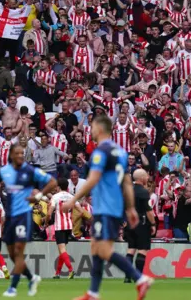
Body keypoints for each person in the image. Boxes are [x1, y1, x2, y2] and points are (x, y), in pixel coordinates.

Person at [63, 115, 153, 300]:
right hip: (115, 207)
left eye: (93, 127)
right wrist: (130, 208)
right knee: (96, 247)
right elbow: (127, 182)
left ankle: (140, 278)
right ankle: (93, 292)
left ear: (100, 129)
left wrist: (73, 200)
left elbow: (93, 179)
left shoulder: (100, 151)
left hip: (106, 207)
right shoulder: (120, 152)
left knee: (103, 250)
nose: (91, 130)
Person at [0, 145, 57, 297]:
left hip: (24, 215)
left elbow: (52, 182)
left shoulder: (30, 171)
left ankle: (13, 287)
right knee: (12, 254)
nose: (20, 155)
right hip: (10, 216)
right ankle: (32, 278)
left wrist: (38, 196)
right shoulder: (4, 171)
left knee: (19, 251)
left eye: (22, 153)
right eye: (17, 153)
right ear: (11, 155)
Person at [123, 169, 155, 282]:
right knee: (142, 250)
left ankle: (127, 277)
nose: (147, 178)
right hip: (142, 222)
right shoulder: (143, 192)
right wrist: (153, 224)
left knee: (131, 249)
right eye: (146, 176)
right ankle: (138, 277)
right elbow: (148, 211)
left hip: (129, 223)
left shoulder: (128, 191)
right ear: (141, 178)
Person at [47, 177, 81, 279]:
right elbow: (80, 211)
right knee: (62, 250)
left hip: (59, 227)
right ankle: (57, 273)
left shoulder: (55, 197)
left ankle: (71, 270)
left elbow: (49, 213)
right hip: (68, 226)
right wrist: (73, 221)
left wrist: (46, 221)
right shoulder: (71, 197)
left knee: (62, 249)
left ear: (58, 187)